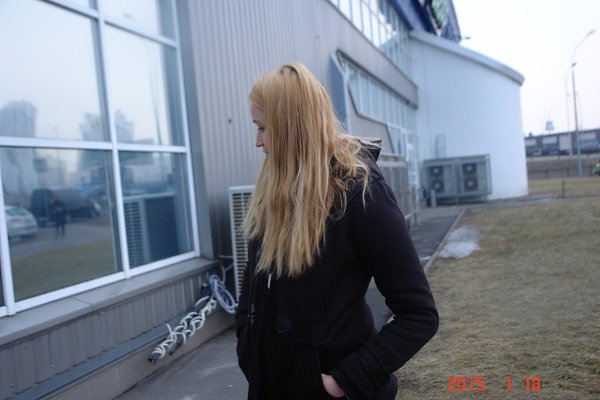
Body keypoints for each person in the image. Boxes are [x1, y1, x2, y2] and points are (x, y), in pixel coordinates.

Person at [235, 63, 438, 400]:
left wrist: (340, 382)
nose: (258, 142)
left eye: (263, 128)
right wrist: (247, 341)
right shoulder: (273, 191)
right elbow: (254, 277)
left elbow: (419, 315)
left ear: (291, 128)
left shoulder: (360, 193)